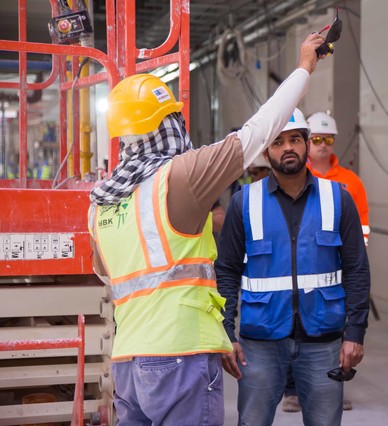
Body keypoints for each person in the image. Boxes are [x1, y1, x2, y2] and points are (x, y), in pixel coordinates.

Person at [87, 34, 327, 426]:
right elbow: (255, 135)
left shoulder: (100, 204)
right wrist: (304, 68)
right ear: (169, 122)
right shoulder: (180, 176)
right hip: (180, 357)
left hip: (127, 363)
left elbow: (106, 272)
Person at [215, 108, 371, 426]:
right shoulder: (244, 202)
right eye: (278, 141)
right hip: (260, 343)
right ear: (266, 150)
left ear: (307, 144)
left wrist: (355, 332)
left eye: (295, 139)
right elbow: (227, 270)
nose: (288, 147)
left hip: (323, 340)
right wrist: (225, 331)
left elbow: (356, 268)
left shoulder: (338, 199)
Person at [306, 111, 370, 245]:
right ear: (307, 142)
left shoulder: (351, 180)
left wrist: (359, 250)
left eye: (328, 140)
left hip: (342, 254)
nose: (323, 145)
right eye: (317, 140)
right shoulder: (297, 177)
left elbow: (362, 218)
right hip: (306, 253)